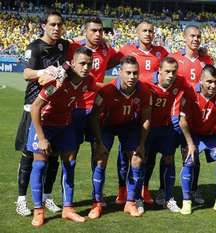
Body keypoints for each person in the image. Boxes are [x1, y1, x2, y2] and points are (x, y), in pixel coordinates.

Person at [26, 47, 95, 227]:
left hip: (65, 125)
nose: (86, 67)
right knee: (40, 165)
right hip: (44, 126)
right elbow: (35, 107)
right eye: (82, 63)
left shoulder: (88, 81)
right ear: (73, 63)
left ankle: (68, 209)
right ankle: (38, 210)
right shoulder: (57, 81)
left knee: (70, 164)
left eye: (89, 64)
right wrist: (41, 138)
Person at [14, 10, 67, 217]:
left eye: (59, 25)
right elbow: (26, 73)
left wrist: (63, 67)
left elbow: (73, 59)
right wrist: (44, 72)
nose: (56, 28)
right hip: (34, 106)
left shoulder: (63, 45)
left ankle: (47, 197)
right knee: (29, 156)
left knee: (52, 156)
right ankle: (21, 200)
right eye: (52, 24)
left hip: (55, 108)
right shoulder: (35, 47)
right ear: (44, 25)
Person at [109, 21, 168, 206]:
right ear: (137, 33)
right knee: (125, 153)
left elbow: (174, 65)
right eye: (145, 30)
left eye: (151, 31)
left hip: (150, 109)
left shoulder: (161, 52)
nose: (148, 34)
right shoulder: (126, 50)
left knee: (145, 152)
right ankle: (122, 189)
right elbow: (105, 61)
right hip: (127, 108)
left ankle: (144, 188)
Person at [88, 56, 151, 218]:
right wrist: (99, 142)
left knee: (137, 158)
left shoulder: (143, 90)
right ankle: (97, 203)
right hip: (106, 126)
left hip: (128, 126)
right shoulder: (107, 90)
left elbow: (146, 118)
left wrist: (142, 144)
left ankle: (130, 203)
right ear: (120, 72)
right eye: (128, 73)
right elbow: (94, 117)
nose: (132, 77)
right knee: (101, 158)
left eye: (135, 73)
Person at [68, 17, 116, 206]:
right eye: (93, 31)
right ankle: (68, 201)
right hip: (77, 108)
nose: (97, 34)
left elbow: (118, 59)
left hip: (98, 109)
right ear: (85, 32)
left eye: (100, 31)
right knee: (71, 154)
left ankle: (97, 195)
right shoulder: (74, 47)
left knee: (99, 153)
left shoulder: (106, 49)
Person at [177, 65, 216, 215]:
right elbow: (182, 121)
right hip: (193, 135)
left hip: (212, 135)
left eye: (215, 81)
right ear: (201, 80)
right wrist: (189, 144)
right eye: (209, 81)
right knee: (189, 160)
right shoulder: (190, 93)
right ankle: (186, 201)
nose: (213, 85)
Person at [170, 25, 213, 205]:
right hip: (176, 112)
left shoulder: (206, 59)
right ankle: (166, 191)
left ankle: (193, 190)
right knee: (168, 154)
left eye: (198, 36)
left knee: (193, 154)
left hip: (198, 115)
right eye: (192, 36)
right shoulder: (175, 58)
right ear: (184, 38)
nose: (196, 39)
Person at [143, 57, 188, 212]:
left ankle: (168, 197)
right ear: (159, 71)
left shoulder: (180, 82)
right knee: (145, 159)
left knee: (169, 158)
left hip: (167, 127)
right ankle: (140, 195)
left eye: (174, 72)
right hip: (148, 128)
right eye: (167, 71)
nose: (171, 75)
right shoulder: (146, 82)